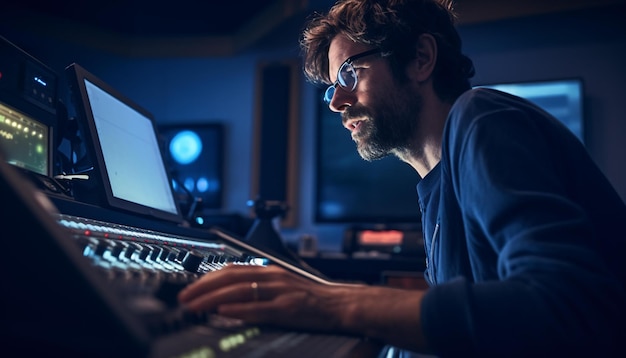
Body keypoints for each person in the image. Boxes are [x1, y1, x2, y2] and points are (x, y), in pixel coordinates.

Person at [178, 0, 626, 356]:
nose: (337, 102)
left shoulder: (482, 118)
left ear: (421, 58)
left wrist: (335, 303)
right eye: (334, 86)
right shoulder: (434, 183)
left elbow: (569, 309)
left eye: (350, 73)